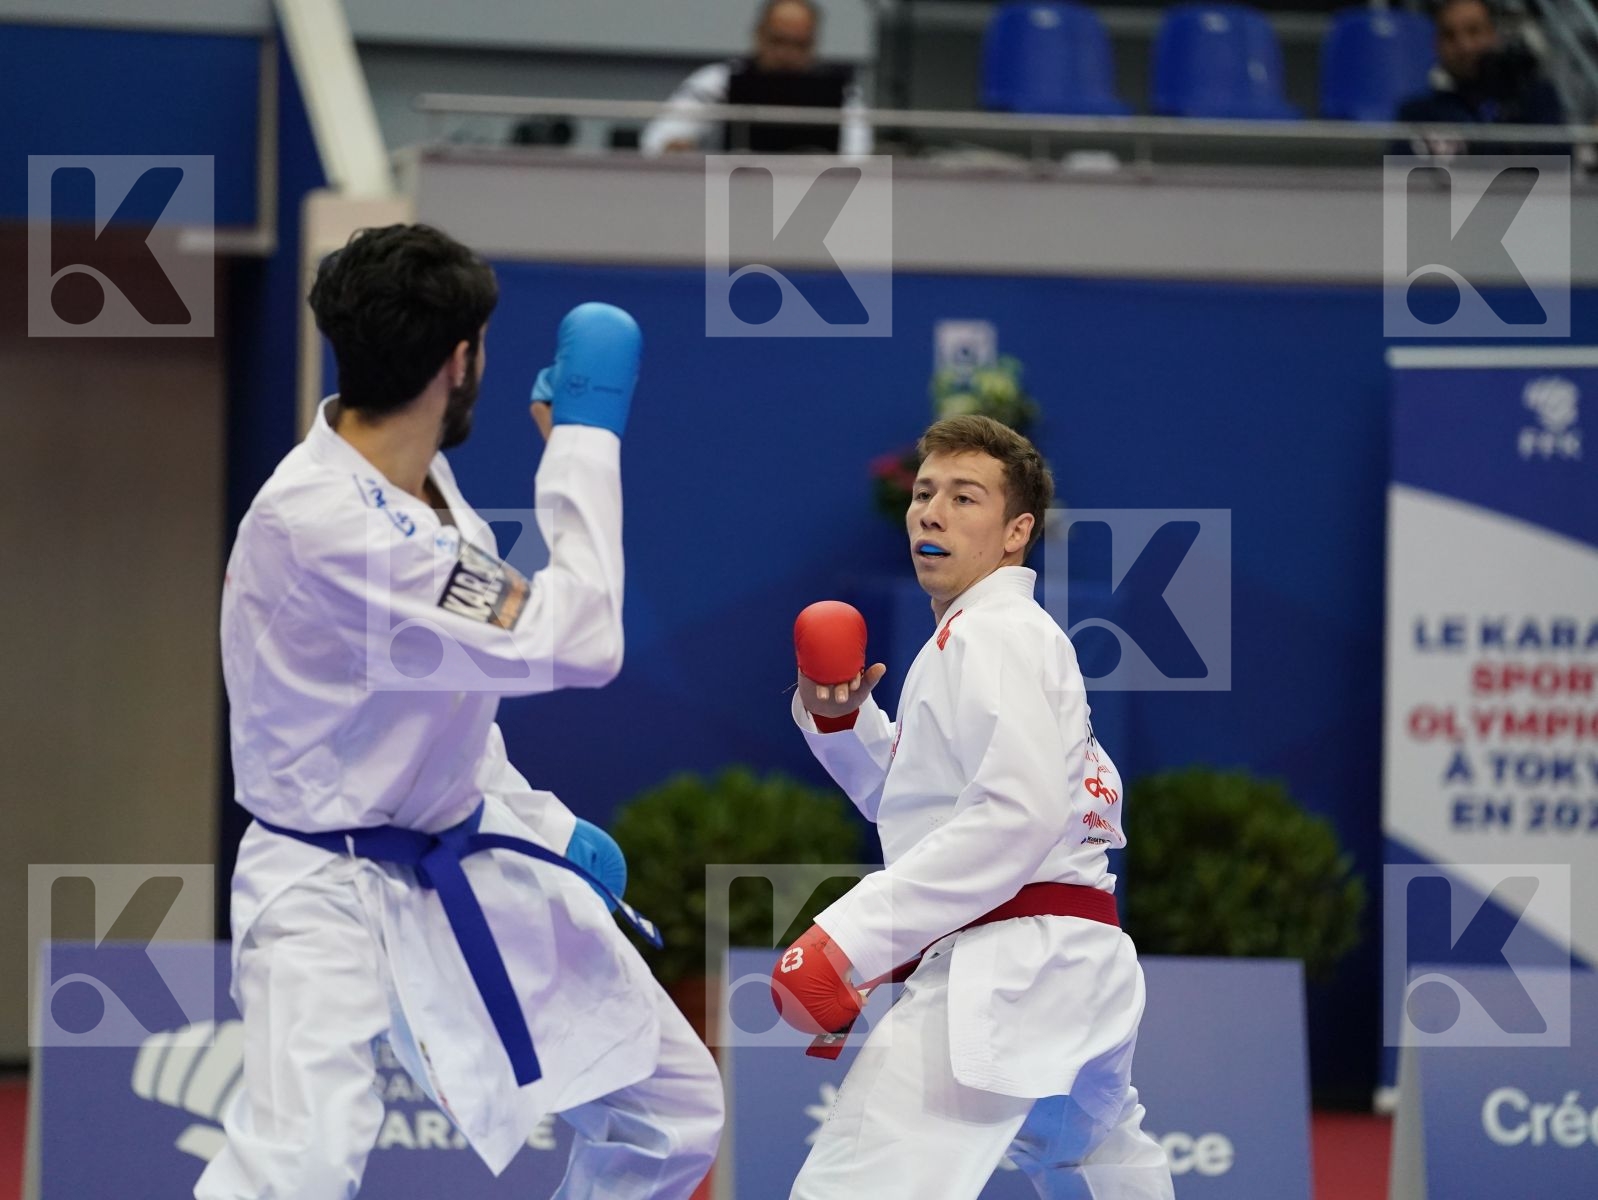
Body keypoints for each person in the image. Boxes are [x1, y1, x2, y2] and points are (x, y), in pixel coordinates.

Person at [197, 224, 723, 1199]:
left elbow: (443, 710)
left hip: (454, 848)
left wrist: (546, 823)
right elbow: (582, 641)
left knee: (672, 1108)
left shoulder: (424, 494)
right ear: (460, 359)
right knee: (296, 1167)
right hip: (323, 889)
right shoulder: (327, 520)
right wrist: (584, 442)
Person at [773, 415, 1174, 1200]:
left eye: (965, 497)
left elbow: (1013, 817)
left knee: (852, 1187)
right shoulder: (984, 637)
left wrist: (850, 935)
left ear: (1017, 529)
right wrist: (843, 722)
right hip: (1074, 963)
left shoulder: (993, 635)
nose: (932, 512)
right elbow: (932, 807)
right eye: (925, 494)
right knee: (1094, 1171)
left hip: (1010, 964)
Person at [641, 0, 872, 156]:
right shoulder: (717, 82)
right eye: (778, 41)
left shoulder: (843, 94)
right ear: (758, 35)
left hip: (813, 199)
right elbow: (659, 140)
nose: (787, 53)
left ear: (814, 44)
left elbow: (858, 155)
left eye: (799, 44)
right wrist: (674, 148)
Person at [1397, 0, 1566, 156]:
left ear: (1493, 35)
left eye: (1474, 31)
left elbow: (1558, 160)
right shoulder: (1418, 114)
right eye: (1449, 36)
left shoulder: (1535, 99)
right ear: (1437, 45)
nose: (1464, 46)